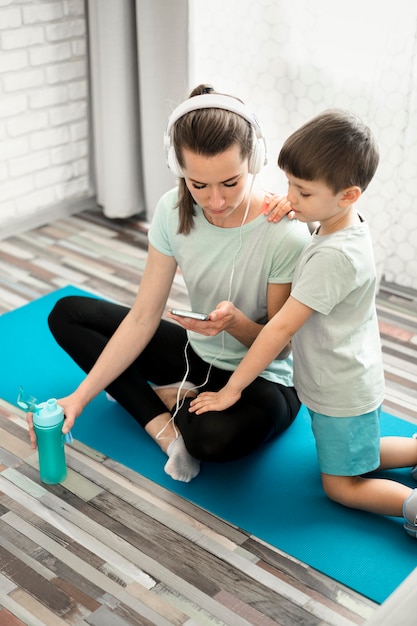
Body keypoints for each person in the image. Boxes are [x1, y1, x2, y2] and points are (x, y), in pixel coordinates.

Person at [27, 84, 310, 482]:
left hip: (262, 377)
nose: (215, 201)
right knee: (68, 313)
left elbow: (279, 349)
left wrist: (235, 324)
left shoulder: (285, 232)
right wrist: (79, 398)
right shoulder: (171, 212)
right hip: (198, 355)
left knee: (211, 442)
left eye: (230, 183)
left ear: (255, 160)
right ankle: (164, 427)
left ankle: (162, 396)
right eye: (199, 185)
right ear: (179, 172)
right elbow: (143, 318)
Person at [189, 108, 417, 537]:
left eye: (302, 192)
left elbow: (279, 329)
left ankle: (411, 506)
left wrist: (230, 390)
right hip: (350, 375)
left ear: (348, 195)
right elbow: (315, 213)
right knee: (357, 453)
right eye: (290, 185)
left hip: (340, 389)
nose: (289, 198)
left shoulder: (332, 257)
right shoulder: (341, 225)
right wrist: (299, 205)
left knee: (341, 484)